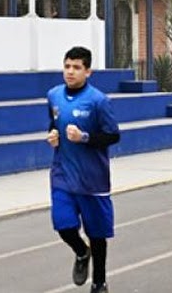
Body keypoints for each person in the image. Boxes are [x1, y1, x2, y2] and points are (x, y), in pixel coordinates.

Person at [46, 46, 121, 293]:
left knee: (97, 233)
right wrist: (52, 134)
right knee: (64, 225)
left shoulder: (99, 101)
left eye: (76, 67)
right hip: (63, 175)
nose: (70, 71)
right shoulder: (54, 95)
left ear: (87, 71)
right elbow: (53, 121)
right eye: (67, 66)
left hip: (93, 179)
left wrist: (85, 137)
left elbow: (112, 136)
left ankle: (99, 282)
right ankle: (81, 251)